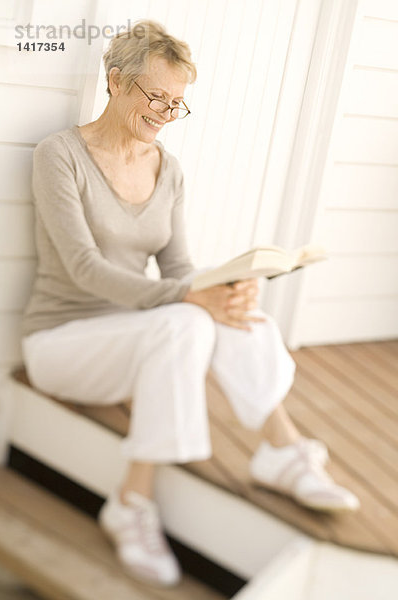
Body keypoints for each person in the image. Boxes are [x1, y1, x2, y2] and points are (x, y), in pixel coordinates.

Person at [20, 20, 359, 588]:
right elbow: (83, 266)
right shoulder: (60, 155)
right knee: (185, 318)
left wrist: (225, 288)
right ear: (116, 81)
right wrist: (191, 296)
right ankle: (132, 501)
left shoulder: (168, 169)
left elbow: (177, 269)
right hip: (63, 343)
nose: (165, 112)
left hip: (136, 340)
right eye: (156, 96)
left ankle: (283, 449)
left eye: (177, 104)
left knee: (224, 308)